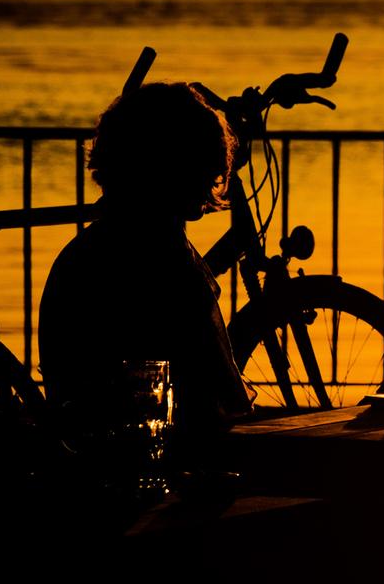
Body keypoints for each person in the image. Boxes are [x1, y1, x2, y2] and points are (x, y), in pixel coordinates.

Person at [40, 82, 253, 476]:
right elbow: (216, 408)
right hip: (161, 469)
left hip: (92, 463)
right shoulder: (170, 264)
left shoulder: (83, 254)